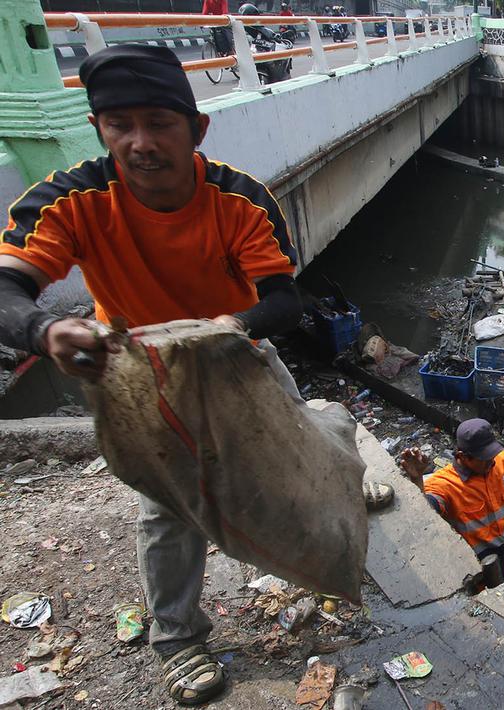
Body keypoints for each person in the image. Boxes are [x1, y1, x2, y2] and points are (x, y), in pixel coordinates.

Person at [0, 45, 303, 705]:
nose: (140, 142)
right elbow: (7, 286)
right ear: (98, 129)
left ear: (196, 129)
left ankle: (325, 518)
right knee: (169, 510)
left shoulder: (240, 198)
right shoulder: (70, 200)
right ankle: (177, 637)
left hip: (235, 351)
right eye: (120, 125)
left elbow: (284, 299)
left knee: (300, 443)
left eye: (159, 123)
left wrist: (230, 325)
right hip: (141, 373)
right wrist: (44, 331)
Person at [399, 419, 504, 583]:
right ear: (463, 457)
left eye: (492, 454)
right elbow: (424, 515)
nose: (492, 462)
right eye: (484, 458)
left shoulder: (503, 461)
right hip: (478, 568)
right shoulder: (444, 485)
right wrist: (417, 481)